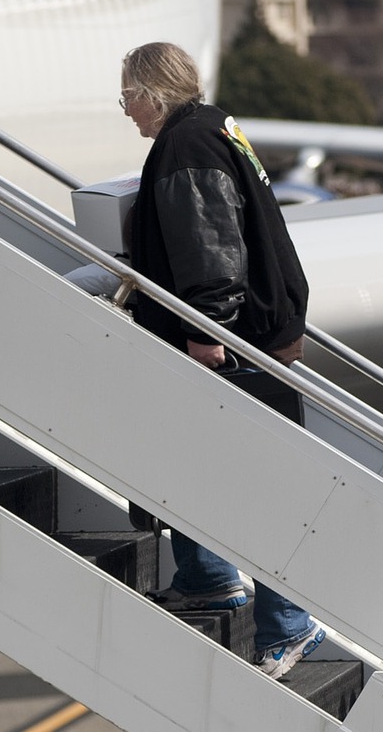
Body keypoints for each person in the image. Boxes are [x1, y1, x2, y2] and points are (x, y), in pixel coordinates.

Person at [119, 41, 325, 681]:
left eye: (126, 96)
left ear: (152, 93)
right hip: (258, 329)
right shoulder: (217, 129)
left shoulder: (185, 146)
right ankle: (207, 575)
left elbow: (210, 246)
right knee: (194, 460)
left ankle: (289, 625)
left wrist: (208, 330)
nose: (125, 110)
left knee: (248, 480)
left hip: (229, 339)